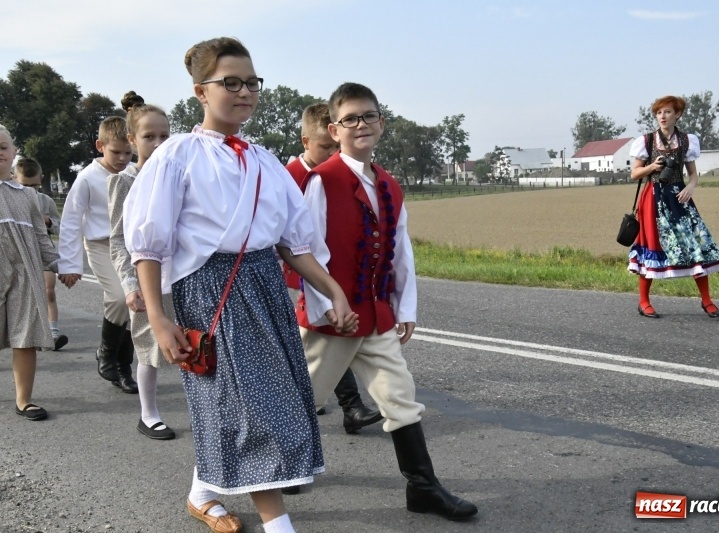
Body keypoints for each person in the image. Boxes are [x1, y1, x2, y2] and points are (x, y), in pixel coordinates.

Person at [124, 37, 357, 533]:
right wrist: (160, 317)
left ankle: (202, 489)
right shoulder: (177, 156)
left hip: (265, 288)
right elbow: (149, 245)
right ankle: (278, 525)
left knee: (250, 400)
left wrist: (332, 290)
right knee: (251, 408)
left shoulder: (265, 161)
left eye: (252, 82)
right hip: (209, 294)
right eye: (230, 82)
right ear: (200, 92)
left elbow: (293, 245)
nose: (245, 91)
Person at [296, 82, 479, 521]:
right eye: (350, 118)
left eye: (369, 116)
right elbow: (307, 249)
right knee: (301, 399)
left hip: (376, 314)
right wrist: (326, 308)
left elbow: (400, 248)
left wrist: (405, 307)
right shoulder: (322, 181)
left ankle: (423, 487)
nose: (361, 124)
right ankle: (249, 473)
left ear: (381, 123)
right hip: (333, 319)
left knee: (399, 396)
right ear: (334, 129)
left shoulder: (389, 184)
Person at [284, 102, 381, 435]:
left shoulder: (339, 176)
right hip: (295, 277)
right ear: (306, 141)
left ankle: (351, 407)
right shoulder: (289, 178)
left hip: (330, 278)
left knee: (339, 341)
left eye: (334, 146)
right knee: (313, 351)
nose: (331, 153)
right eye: (325, 147)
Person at [108, 91, 176, 439]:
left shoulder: (177, 175)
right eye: (149, 136)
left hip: (181, 275)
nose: (158, 142)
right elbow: (118, 238)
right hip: (146, 278)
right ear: (132, 140)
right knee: (149, 346)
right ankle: (148, 413)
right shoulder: (124, 181)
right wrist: (130, 284)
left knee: (192, 344)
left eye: (164, 135)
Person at [628, 95, 719, 318]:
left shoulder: (686, 140)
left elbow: (693, 174)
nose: (662, 117)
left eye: (667, 112)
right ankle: (643, 301)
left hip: (680, 197)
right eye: (658, 113)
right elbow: (634, 174)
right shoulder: (646, 141)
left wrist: (691, 187)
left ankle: (707, 300)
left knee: (694, 243)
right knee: (652, 245)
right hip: (653, 198)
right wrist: (652, 167)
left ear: (678, 114)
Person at [58, 116, 138, 393]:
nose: (122, 158)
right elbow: (70, 220)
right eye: (116, 152)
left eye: (128, 152)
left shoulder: (134, 174)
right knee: (119, 297)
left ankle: (124, 367)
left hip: (132, 248)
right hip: (101, 245)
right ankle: (106, 354)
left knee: (135, 303)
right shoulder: (88, 178)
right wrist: (69, 264)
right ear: (100, 146)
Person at [0, 125, 60, 421]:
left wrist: (62, 266)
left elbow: (40, 238)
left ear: (13, 153)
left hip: (24, 275)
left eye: (3, 147)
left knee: (24, 338)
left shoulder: (27, 197)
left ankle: (24, 400)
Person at [14, 158, 68, 351]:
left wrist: (48, 221)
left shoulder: (46, 201)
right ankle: (28, 333)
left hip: (43, 251)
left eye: (35, 186)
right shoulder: (8, 199)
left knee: (48, 290)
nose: (30, 191)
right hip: (19, 254)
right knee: (21, 295)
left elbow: (60, 227)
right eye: (24, 186)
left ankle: (53, 334)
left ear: (41, 180)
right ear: (14, 178)